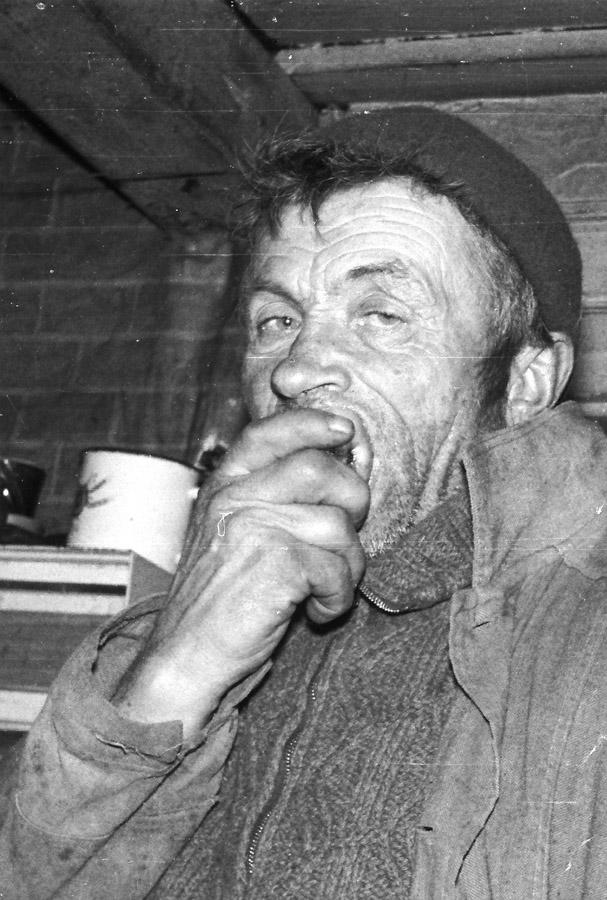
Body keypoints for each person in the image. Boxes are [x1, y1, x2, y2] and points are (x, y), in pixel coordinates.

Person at [1, 105, 606, 899]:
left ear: (525, 382)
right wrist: (175, 668)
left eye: (380, 314)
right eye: (277, 319)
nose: (294, 369)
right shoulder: (166, 630)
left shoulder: (584, 649)